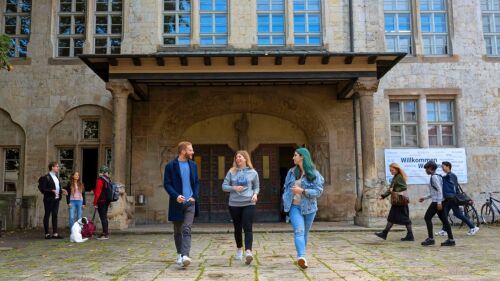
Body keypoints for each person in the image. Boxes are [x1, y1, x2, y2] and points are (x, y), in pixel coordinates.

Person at [282, 147, 324, 269]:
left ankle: (302, 256)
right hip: (294, 207)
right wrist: (286, 198)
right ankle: (301, 257)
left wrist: (303, 191)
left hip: (310, 208)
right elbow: (286, 187)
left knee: (304, 233)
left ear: (302, 157)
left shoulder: (314, 174)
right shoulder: (291, 172)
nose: (293, 157)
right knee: (299, 231)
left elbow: (318, 191)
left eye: (295, 155)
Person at [164, 141, 200, 268]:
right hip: (176, 203)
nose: (193, 152)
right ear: (183, 151)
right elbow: (167, 184)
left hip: (190, 203)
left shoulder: (193, 165)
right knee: (177, 231)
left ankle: (185, 255)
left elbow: (196, 182)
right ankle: (179, 253)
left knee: (186, 229)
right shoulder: (170, 166)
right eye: (190, 150)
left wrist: (194, 196)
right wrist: (176, 196)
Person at [222, 150, 260, 265]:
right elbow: (224, 186)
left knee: (248, 227)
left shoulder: (253, 172)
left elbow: (257, 187)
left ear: (245, 159)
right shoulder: (231, 172)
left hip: (249, 203)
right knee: (237, 227)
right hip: (234, 203)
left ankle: (248, 251)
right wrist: (234, 188)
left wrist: (255, 194)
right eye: (236, 157)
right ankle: (239, 248)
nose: (238, 159)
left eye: (240, 157)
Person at [435, 161, 479, 236]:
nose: (442, 168)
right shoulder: (447, 175)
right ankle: (444, 230)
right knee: (448, 214)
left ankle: (473, 227)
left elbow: (455, 186)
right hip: (449, 198)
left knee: (455, 214)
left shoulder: (451, 175)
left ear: (448, 166)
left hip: (452, 198)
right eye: (442, 166)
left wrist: (436, 175)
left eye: (443, 166)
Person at [419, 161, 455, 246]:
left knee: (427, 217)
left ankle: (431, 239)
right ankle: (451, 239)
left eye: (426, 169)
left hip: (437, 202)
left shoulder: (434, 177)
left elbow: (439, 190)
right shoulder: (437, 176)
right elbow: (434, 192)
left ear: (431, 169)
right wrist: (424, 198)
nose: (425, 171)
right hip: (440, 201)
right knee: (444, 220)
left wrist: (439, 203)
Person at [375, 163, 413, 241]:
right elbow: (391, 189)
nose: (391, 172)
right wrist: (383, 196)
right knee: (392, 218)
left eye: (392, 170)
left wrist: (395, 190)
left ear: (396, 169)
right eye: (390, 170)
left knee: (404, 219)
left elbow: (404, 187)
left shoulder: (399, 177)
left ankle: (410, 235)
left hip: (400, 201)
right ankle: (384, 233)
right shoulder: (396, 177)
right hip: (397, 202)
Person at [39, 161, 67, 239]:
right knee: (47, 215)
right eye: (57, 166)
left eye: (58, 166)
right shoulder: (46, 177)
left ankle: (55, 233)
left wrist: (62, 190)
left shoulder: (56, 177)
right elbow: (43, 189)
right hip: (48, 199)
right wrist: (51, 190)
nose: (58, 168)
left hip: (56, 199)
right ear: (52, 167)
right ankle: (47, 234)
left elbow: (57, 188)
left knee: (55, 215)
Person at [93, 165, 112, 240]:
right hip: (107, 201)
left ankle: (105, 234)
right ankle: (105, 232)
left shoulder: (100, 180)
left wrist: (95, 203)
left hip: (101, 201)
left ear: (101, 172)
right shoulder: (108, 180)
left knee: (103, 217)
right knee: (104, 217)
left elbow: (98, 192)